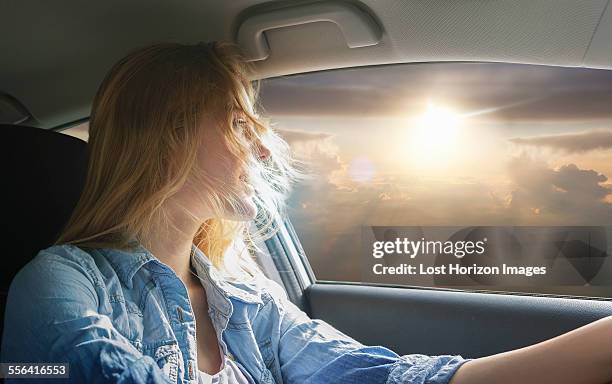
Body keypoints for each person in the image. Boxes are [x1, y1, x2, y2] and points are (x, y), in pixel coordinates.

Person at [1, 42, 612, 384]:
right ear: (168, 135)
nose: (265, 147)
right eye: (240, 124)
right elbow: (59, 371)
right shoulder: (56, 283)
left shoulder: (244, 302)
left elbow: (382, 379)